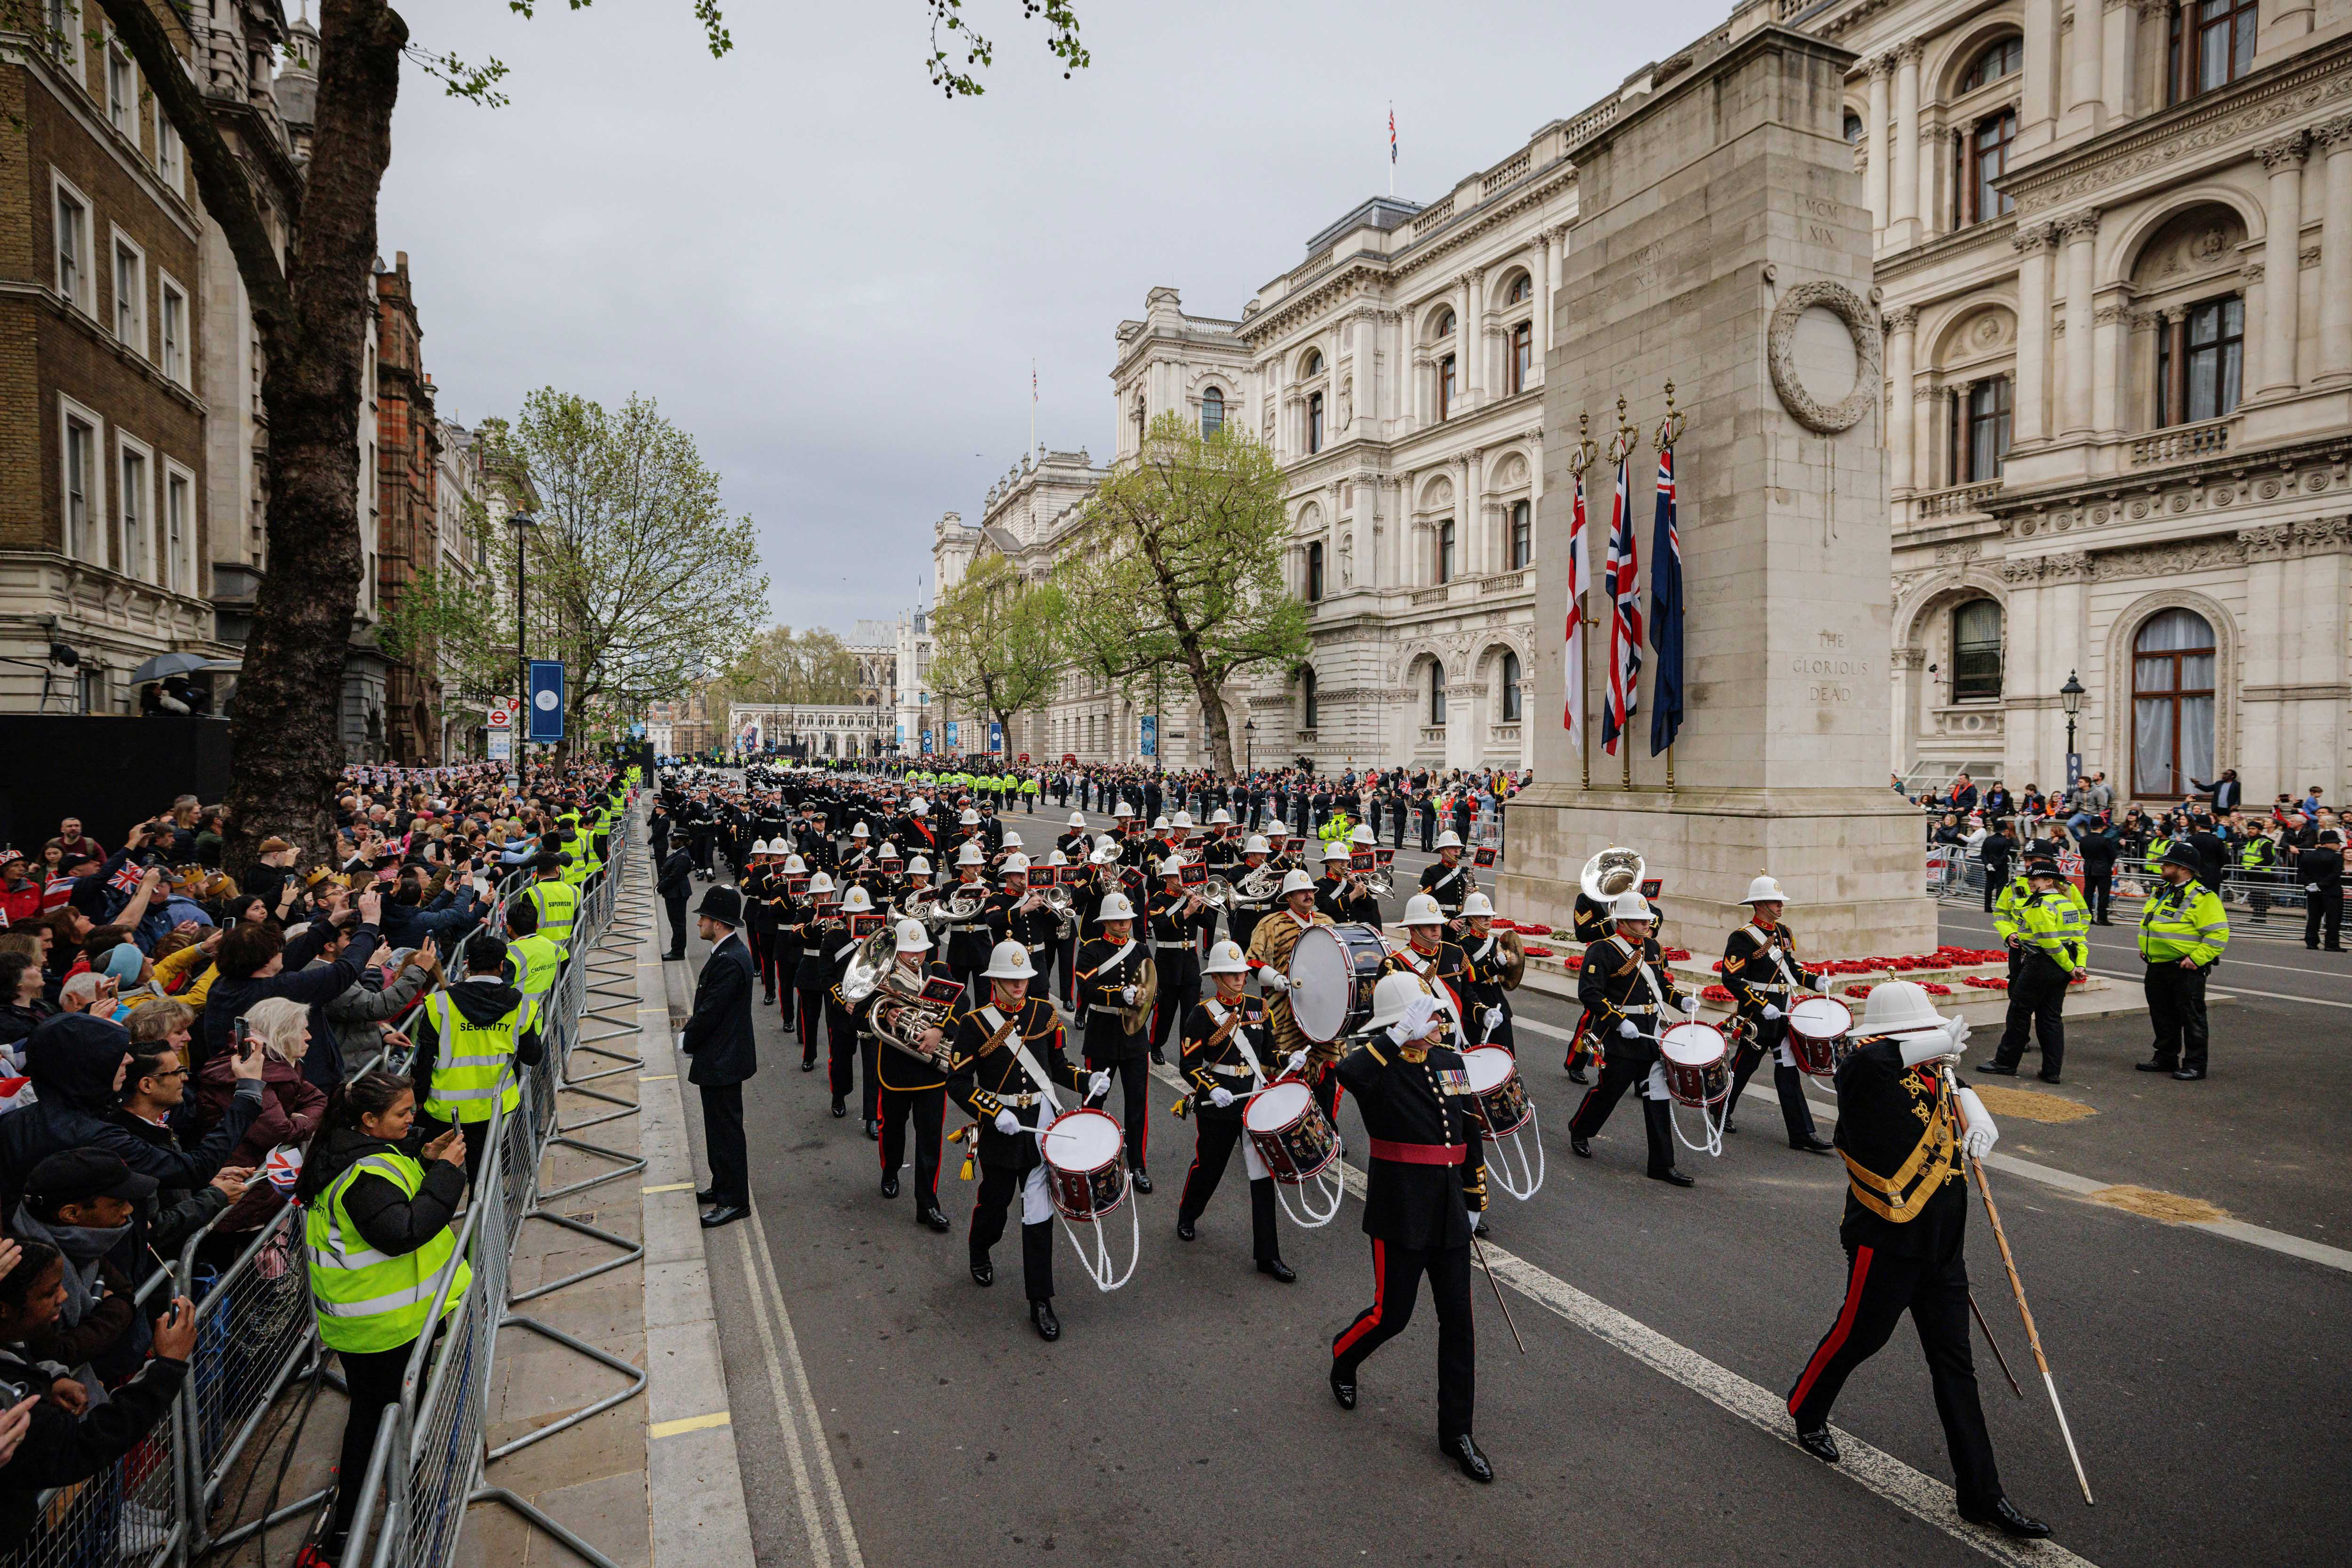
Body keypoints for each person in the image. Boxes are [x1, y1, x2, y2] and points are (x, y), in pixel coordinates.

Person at [1783, 982, 2046, 1537]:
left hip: (1941, 1245)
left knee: (1955, 1367)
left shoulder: (1935, 1074)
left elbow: (1957, 1084)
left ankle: (1980, 1494)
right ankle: (1805, 1406)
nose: (1935, 1050)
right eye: (1920, 1037)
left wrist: (1977, 1114)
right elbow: (1874, 1062)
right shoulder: (1863, 1071)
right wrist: (1931, 1041)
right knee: (1860, 1336)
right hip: (1886, 1242)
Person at [297, 1069, 469, 1567]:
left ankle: (379, 1502)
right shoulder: (364, 1173)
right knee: (376, 1421)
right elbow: (402, 1229)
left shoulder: (356, 1155)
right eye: (402, 1113)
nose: (412, 1118)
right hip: (381, 1331)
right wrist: (447, 1174)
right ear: (368, 1120)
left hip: (377, 1327)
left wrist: (424, 1159)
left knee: (377, 1418)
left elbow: (385, 1208)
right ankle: (351, 1530)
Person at [1329, 974, 1491, 1483]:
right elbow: (1346, 1075)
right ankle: (1343, 1357)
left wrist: (1472, 1196)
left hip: (1445, 1210)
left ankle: (1456, 1432)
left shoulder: (1449, 1062)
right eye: (1430, 1017)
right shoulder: (1380, 1069)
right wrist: (1393, 1037)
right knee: (1390, 1316)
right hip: (1399, 1211)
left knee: (1459, 1323)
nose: (1441, 1023)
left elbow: (1468, 1129)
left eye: (1438, 1016)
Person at [0, 1234, 199, 1557]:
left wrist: (48, 1378)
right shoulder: (14, 1399)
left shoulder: (17, 1357)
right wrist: (167, 1367)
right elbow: (84, 1445)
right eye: (49, 1293)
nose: (64, 1296)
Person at [946, 940, 1101, 1341]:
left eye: (1024, 979)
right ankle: (980, 1247)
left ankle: (1041, 1301)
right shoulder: (975, 1023)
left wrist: (1088, 1081)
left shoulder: (1045, 1014)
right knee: (994, 1207)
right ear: (995, 980)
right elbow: (959, 1083)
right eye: (1011, 979)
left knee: (1038, 1217)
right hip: (1002, 1130)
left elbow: (1058, 1068)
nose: (1019, 986)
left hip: (1040, 1130)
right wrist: (993, 1112)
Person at [1173, 939, 1291, 1281]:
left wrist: (1288, 1060)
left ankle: (1268, 1255)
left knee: (1262, 1175)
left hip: (1254, 1100)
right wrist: (1212, 1088)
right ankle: (1188, 1214)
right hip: (1221, 1103)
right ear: (1217, 978)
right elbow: (1190, 1065)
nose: (1240, 979)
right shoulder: (1203, 1013)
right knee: (1210, 1166)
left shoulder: (1258, 1007)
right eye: (1232, 974)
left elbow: (1269, 1054)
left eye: (1241, 974)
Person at [1567, 892, 1694, 1186]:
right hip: (1620, 1036)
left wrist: (1682, 1000)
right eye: (1640, 920)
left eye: (1647, 919)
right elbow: (1589, 993)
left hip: (1650, 1034)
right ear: (1623, 922)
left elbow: (1661, 985)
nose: (1646, 924)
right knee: (1609, 1092)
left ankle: (1662, 1164)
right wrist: (1618, 1020)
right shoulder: (1602, 950)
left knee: (1658, 1097)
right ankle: (1580, 1128)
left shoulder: (1652, 947)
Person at [410, 933, 542, 1191]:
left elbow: (423, 1061)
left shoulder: (440, 1004)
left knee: (438, 1182)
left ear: (468, 964)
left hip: (444, 1111)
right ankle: (482, 1231)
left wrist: (418, 1100)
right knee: (485, 1183)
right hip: (495, 1109)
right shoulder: (520, 1005)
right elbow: (533, 1056)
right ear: (503, 965)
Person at [1717, 877, 1834, 1152]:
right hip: (1758, 1015)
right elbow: (1732, 979)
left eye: (1780, 901)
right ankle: (1721, 1111)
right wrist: (1759, 1005)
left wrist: (1814, 981)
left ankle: (1802, 1133)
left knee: (1788, 1071)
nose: (1781, 905)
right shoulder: (1742, 937)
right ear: (1759, 904)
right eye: (1774, 901)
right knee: (1744, 1067)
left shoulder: (1783, 933)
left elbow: (1789, 968)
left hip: (1782, 1011)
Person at [857, 918, 954, 1232]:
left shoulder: (938, 972)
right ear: (897, 952)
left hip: (932, 1071)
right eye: (909, 952)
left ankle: (928, 1204)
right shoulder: (881, 978)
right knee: (893, 1129)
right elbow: (858, 1013)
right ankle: (891, 1170)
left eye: (921, 951)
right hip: (896, 1069)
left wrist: (940, 1029)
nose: (916, 958)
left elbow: (962, 1004)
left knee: (930, 1140)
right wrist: (886, 1012)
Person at [682, 886, 757, 1226]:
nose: (699, 923)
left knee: (725, 1132)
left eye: (704, 918)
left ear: (719, 923)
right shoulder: (727, 953)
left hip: (723, 1059)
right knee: (716, 1130)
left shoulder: (729, 961)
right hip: (722, 1057)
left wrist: (688, 1039)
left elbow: (711, 1011)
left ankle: (734, 1200)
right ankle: (721, 1185)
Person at [1979, 858, 2087, 1084]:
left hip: (2042, 962)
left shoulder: (2041, 905)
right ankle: (2052, 1071)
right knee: (2051, 1017)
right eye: (2029, 879)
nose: (2029, 883)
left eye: (2035, 879)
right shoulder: (2067, 903)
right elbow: (2079, 939)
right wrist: (2079, 965)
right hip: (2062, 962)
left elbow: (2049, 944)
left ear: (2049, 881)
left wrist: (2069, 967)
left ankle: (2006, 1063)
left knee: (2019, 1011)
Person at [1074, 890, 1155, 1192]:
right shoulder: (1092, 949)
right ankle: (1093, 1159)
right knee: (1095, 1101)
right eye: (1117, 920)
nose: (1124, 924)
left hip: (1134, 1038)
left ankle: (1137, 1165)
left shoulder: (1142, 949)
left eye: (1127, 919)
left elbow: (1152, 986)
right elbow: (1087, 988)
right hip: (1103, 1035)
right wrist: (1119, 994)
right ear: (1106, 922)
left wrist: (1145, 997)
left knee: (1137, 1105)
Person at [2136, 843, 2231, 1079]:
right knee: (2162, 1014)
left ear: (2183, 869)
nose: (2162, 867)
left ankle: (2195, 1065)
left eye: (2167, 864)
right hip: (2157, 963)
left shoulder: (2203, 897)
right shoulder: (2162, 890)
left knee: (2191, 1017)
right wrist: (2148, 949)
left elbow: (2218, 933)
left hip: (2184, 967)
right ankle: (2165, 1057)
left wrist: (2197, 959)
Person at [2300, 829, 2345, 951]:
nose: (2339, 846)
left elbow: (2301, 873)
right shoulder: (2337, 857)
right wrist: (2321, 885)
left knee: (2314, 917)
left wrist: (2311, 885)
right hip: (2332, 892)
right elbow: (2335, 874)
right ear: (2328, 844)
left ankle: (2311, 942)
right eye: (2337, 843)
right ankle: (2331, 944)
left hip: (2313, 892)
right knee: (2333, 919)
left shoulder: (2307, 856)